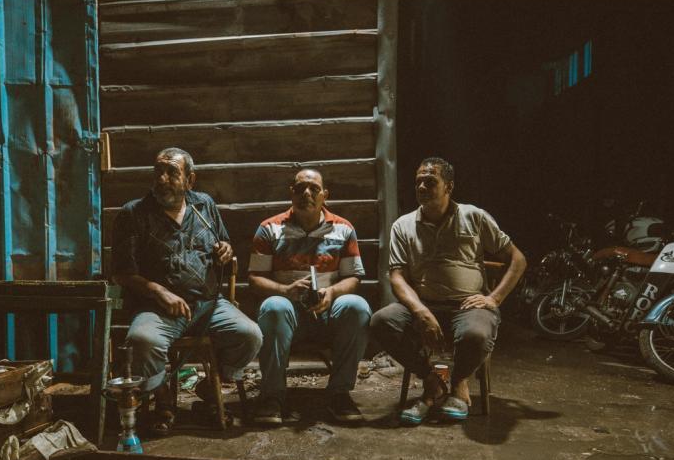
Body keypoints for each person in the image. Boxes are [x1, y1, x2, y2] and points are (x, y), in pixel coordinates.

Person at [111, 147, 263, 434]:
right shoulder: (134, 213)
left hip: (208, 304)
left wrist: (225, 250)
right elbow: (122, 272)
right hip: (158, 308)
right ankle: (162, 397)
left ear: (190, 180)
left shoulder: (203, 205)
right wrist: (158, 291)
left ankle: (209, 387)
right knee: (142, 340)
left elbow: (224, 244)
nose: (163, 178)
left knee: (250, 335)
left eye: (172, 173)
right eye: (159, 172)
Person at [370, 157, 526, 423]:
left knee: (475, 334)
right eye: (418, 181)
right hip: (425, 303)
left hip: (467, 305)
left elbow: (517, 259)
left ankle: (457, 383)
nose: (421, 187)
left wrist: (494, 298)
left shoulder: (473, 217)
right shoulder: (403, 225)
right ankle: (432, 379)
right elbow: (397, 277)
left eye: (430, 182)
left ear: (449, 187)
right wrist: (419, 310)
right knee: (381, 321)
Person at [248, 168, 372, 424]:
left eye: (314, 188)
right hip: (288, 316)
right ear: (290, 193)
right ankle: (272, 396)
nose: (307, 193)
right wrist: (285, 290)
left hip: (327, 314)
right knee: (274, 306)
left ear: (325, 195)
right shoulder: (269, 229)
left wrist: (333, 292)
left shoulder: (344, 229)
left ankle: (339, 394)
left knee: (357, 306)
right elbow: (254, 278)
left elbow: (353, 277)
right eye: (300, 188)